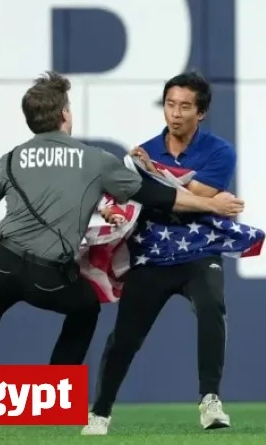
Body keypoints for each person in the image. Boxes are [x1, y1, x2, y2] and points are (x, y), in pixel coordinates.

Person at [0, 71, 244, 438]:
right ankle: (48, 395)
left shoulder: (11, 158)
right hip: (46, 276)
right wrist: (209, 202)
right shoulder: (92, 160)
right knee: (86, 308)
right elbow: (155, 196)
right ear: (65, 115)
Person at [82, 72, 237, 436]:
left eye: (185, 106)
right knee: (125, 337)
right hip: (151, 254)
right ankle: (100, 412)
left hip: (198, 250)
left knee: (212, 304)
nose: (176, 114)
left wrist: (149, 176)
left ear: (201, 112)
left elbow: (191, 194)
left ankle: (210, 400)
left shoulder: (219, 151)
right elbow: (154, 196)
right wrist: (136, 187)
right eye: (170, 105)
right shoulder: (145, 151)